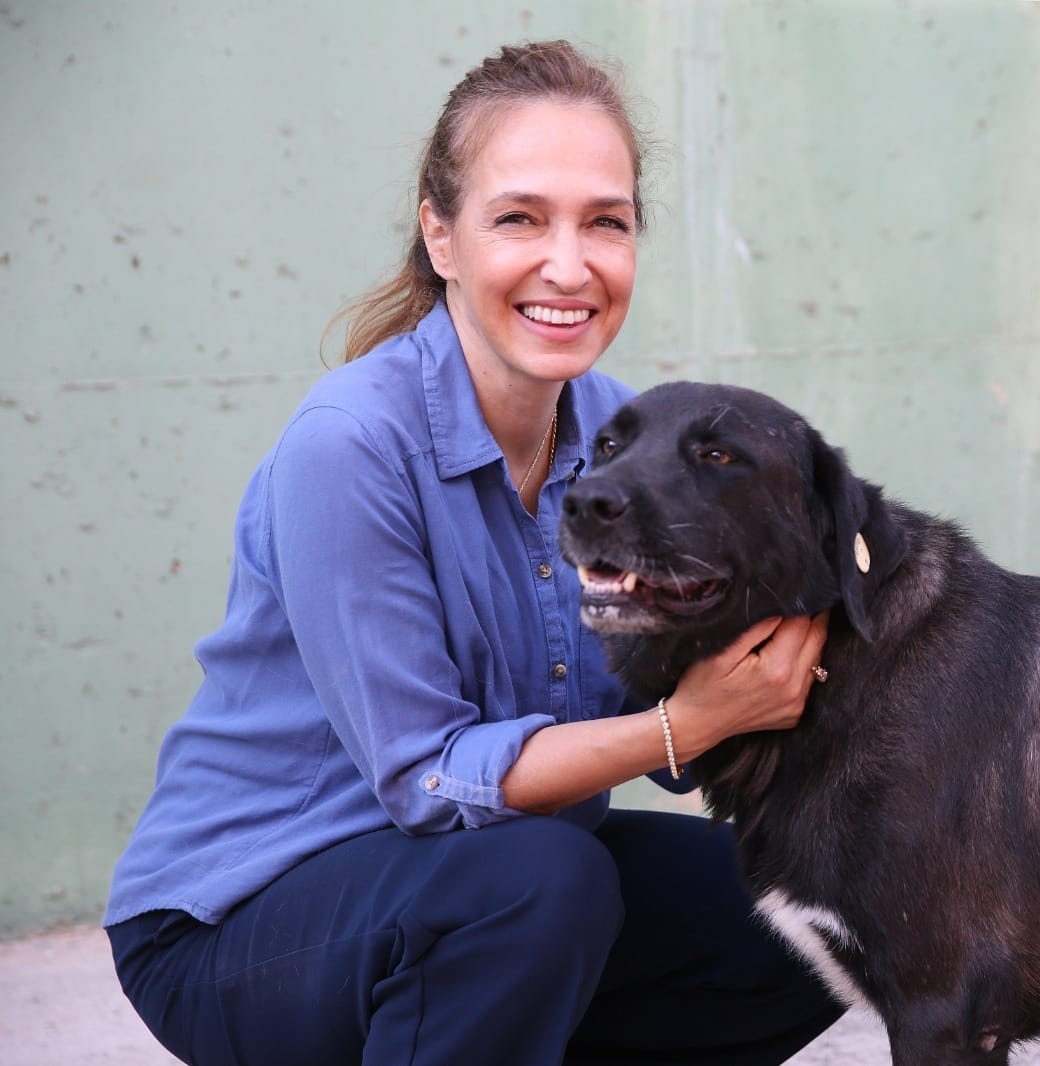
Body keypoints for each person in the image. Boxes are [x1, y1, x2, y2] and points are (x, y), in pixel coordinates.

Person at [104, 40, 843, 1065]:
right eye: (520, 218)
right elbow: (430, 781)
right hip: (240, 921)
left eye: (606, 222)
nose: (569, 266)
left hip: (487, 886)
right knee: (539, 884)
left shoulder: (629, 435)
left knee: (809, 907)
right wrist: (687, 724)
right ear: (440, 236)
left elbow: (702, 678)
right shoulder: (350, 445)